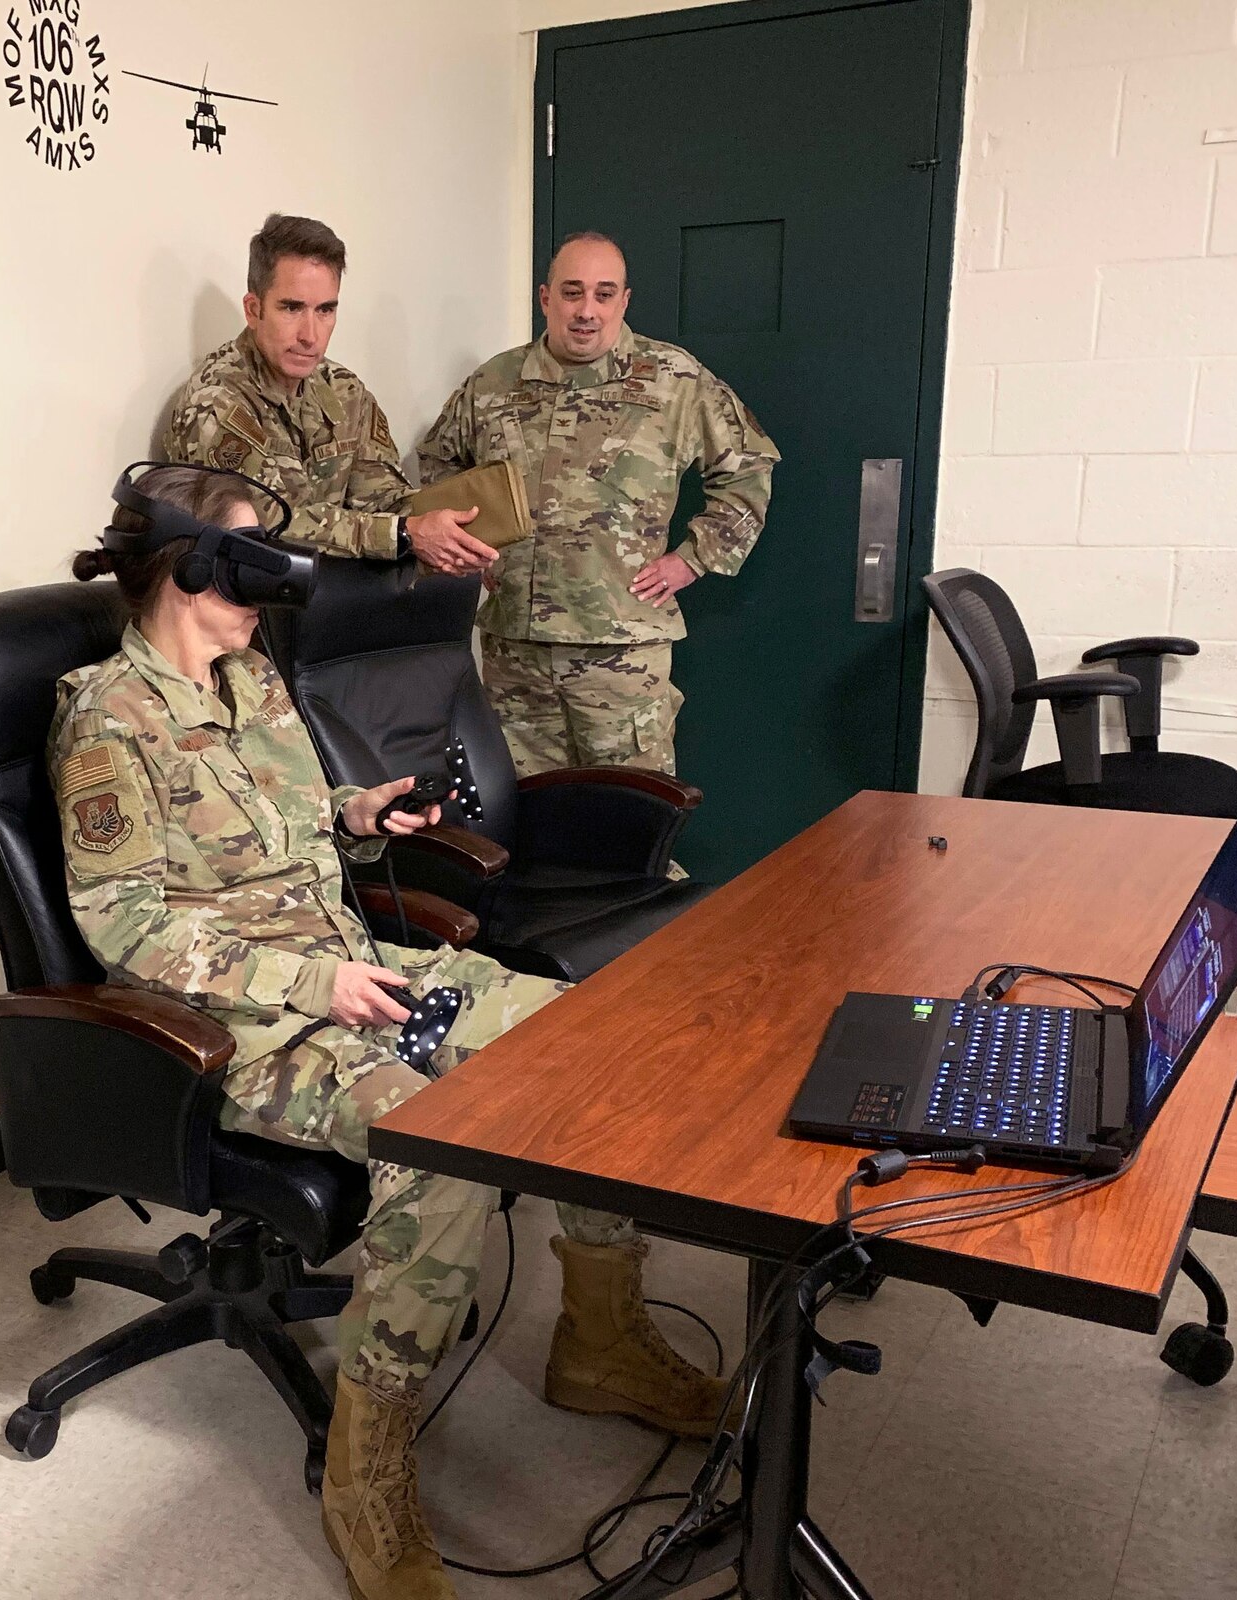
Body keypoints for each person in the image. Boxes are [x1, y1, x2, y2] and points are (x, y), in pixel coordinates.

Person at [51, 464, 727, 1600]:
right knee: (442, 1133)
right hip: (244, 1027)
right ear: (182, 567)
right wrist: (314, 983)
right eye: (246, 564)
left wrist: (355, 817)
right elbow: (126, 929)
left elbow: (274, 829)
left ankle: (598, 1338)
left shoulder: (250, 679)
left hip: (360, 965)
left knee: (578, 1041)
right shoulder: (104, 718)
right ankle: (364, 1459)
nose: (263, 593)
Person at [418, 231, 780, 786]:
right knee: (525, 811)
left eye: (604, 294)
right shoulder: (494, 383)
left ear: (624, 302)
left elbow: (750, 466)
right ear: (545, 298)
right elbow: (439, 462)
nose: (587, 311)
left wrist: (694, 557)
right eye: (572, 292)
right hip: (517, 650)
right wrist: (471, 548)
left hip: (622, 653)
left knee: (631, 813)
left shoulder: (674, 381)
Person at [161, 212, 495, 575]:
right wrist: (402, 534)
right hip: (238, 615)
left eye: (325, 310)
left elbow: (383, 499)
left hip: (334, 609)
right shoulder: (216, 403)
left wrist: (457, 533)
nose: (310, 334)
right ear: (253, 310)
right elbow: (271, 525)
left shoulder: (344, 391)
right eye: (291, 308)